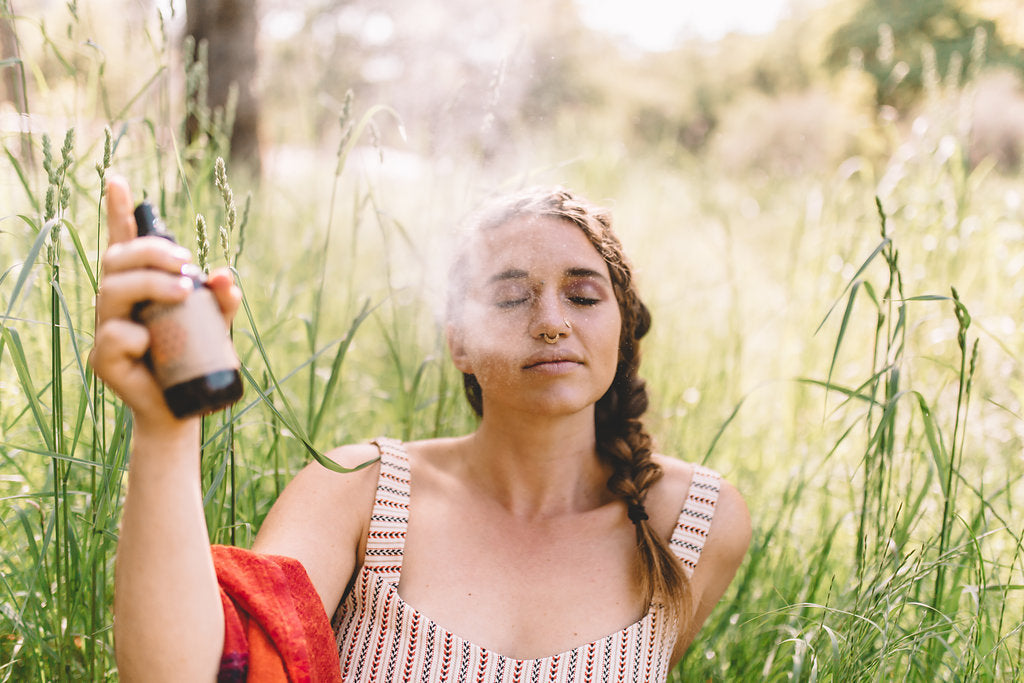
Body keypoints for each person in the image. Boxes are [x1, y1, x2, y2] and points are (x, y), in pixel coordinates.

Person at [90, 177, 751, 682]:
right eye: (511, 296)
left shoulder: (695, 520)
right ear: (458, 341)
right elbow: (195, 671)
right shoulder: (361, 491)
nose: (553, 321)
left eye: (583, 295)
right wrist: (165, 430)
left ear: (622, 324)